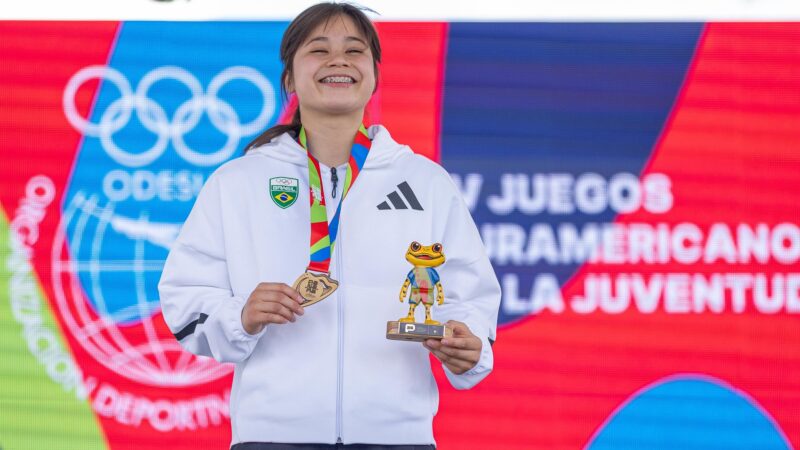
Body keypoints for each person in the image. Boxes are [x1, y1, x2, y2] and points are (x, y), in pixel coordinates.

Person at [158, 3, 500, 449]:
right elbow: (186, 299)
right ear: (290, 78)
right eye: (318, 50)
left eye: (354, 50)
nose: (338, 60)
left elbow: (468, 297)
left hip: (398, 436)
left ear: (374, 73)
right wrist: (240, 316)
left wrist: (467, 346)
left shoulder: (425, 181)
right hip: (271, 437)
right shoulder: (238, 182)